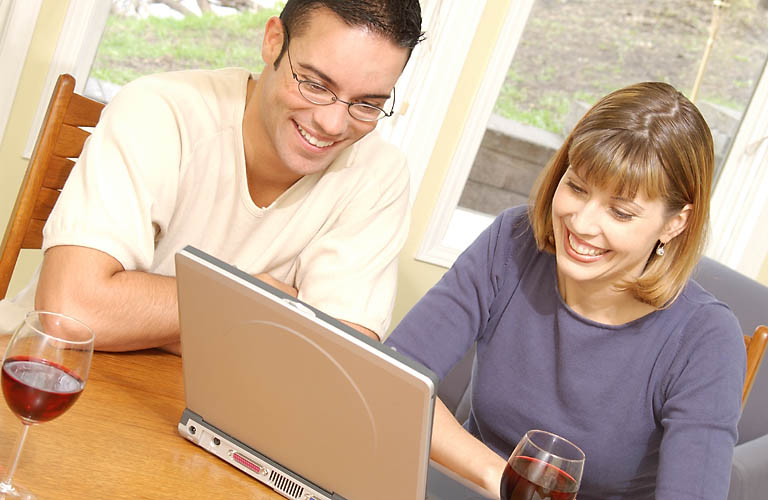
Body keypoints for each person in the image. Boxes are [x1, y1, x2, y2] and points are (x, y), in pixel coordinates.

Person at [386, 82, 746, 499]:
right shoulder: (512, 241)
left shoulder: (705, 338)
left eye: (620, 211)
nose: (581, 224)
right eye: (576, 187)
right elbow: (394, 382)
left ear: (675, 223)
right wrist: (503, 482)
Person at [1, 0, 423, 352]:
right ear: (273, 41)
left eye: (367, 104)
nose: (333, 124)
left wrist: (143, 312)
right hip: (49, 367)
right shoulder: (159, 109)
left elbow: (334, 363)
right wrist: (255, 296)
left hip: (203, 403)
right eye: (314, 84)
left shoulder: (379, 174)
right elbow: (72, 313)